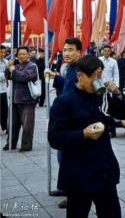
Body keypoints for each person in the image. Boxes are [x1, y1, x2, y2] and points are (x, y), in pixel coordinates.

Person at [48, 55, 125, 218]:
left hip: (104, 170)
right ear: (80, 76)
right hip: (79, 174)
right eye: (93, 76)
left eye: (100, 75)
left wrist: (116, 93)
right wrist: (83, 134)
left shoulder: (101, 96)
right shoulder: (63, 102)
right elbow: (55, 137)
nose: (97, 80)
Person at [45, 37, 82, 206]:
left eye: (70, 50)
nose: (66, 53)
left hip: (73, 121)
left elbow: (73, 91)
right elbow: (67, 84)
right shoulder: (70, 68)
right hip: (65, 118)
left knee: (70, 159)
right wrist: (54, 76)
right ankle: (66, 187)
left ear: (78, 52)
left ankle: (73, 194)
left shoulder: (79, 69)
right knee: (63, 157)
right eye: (64, 50)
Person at [3, 46, 37, 151]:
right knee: (13, 125)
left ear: (28, 55)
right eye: (19, 54)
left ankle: (26, 146)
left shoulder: (32, 66)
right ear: (17, 56)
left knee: (27, 125)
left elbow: (24, 77)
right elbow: (8, 76)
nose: (21, 56)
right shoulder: (16, 66)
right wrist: (8, 68)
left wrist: (13, 70)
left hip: (27, 100)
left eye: (24, 54)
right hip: (15, 99)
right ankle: (10, 144)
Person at [0, 45, 8, 134]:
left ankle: (5, 126)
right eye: (1, 52)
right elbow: (4, 76)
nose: (2, 54)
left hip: (3, 90)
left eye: (3, 52)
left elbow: (9, 74)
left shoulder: (6, 62)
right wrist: (3, 75)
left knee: (4, 109)